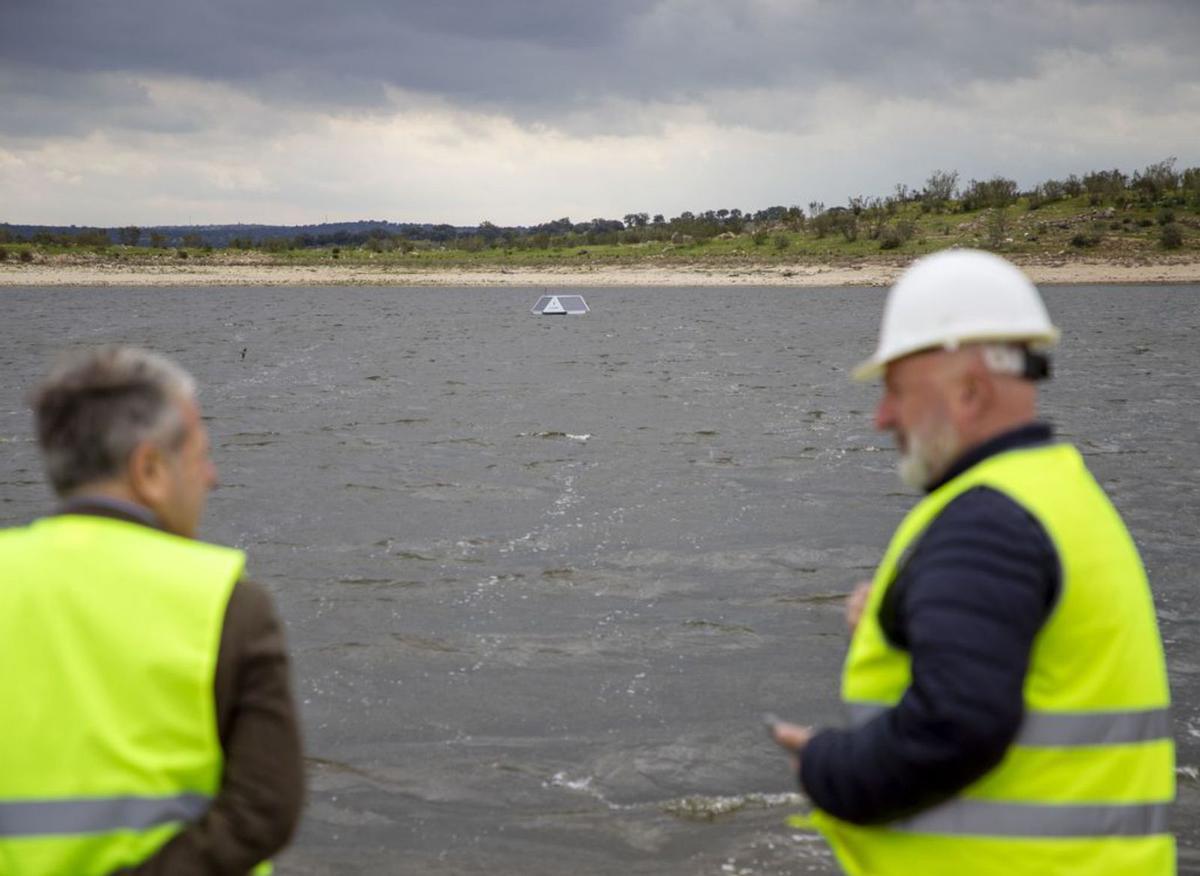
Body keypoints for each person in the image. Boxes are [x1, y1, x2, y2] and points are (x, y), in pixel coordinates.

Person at [772, 250, 1174, 874]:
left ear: (967, 392)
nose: (881, 418)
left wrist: (826, 765)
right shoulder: (1059, 492)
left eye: (894, 391)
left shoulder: (987, 524)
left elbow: (955, 728)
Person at [0, 346, 304, 874]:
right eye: (200, 455)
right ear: (149, 469)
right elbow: (265, 809)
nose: (211, 477)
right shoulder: (229, 602)